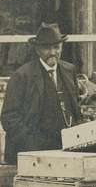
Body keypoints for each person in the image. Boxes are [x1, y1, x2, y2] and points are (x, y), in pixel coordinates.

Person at [1, 23, 83, 164]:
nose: (52, 52)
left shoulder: (69, 70)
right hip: (30, 152)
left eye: (56, 47)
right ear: (38, 49)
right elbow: (9, 118)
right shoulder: (22, 76)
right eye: (47, 47)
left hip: (65, 150)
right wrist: (32, 145)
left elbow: (75, 110)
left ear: (62, 47)